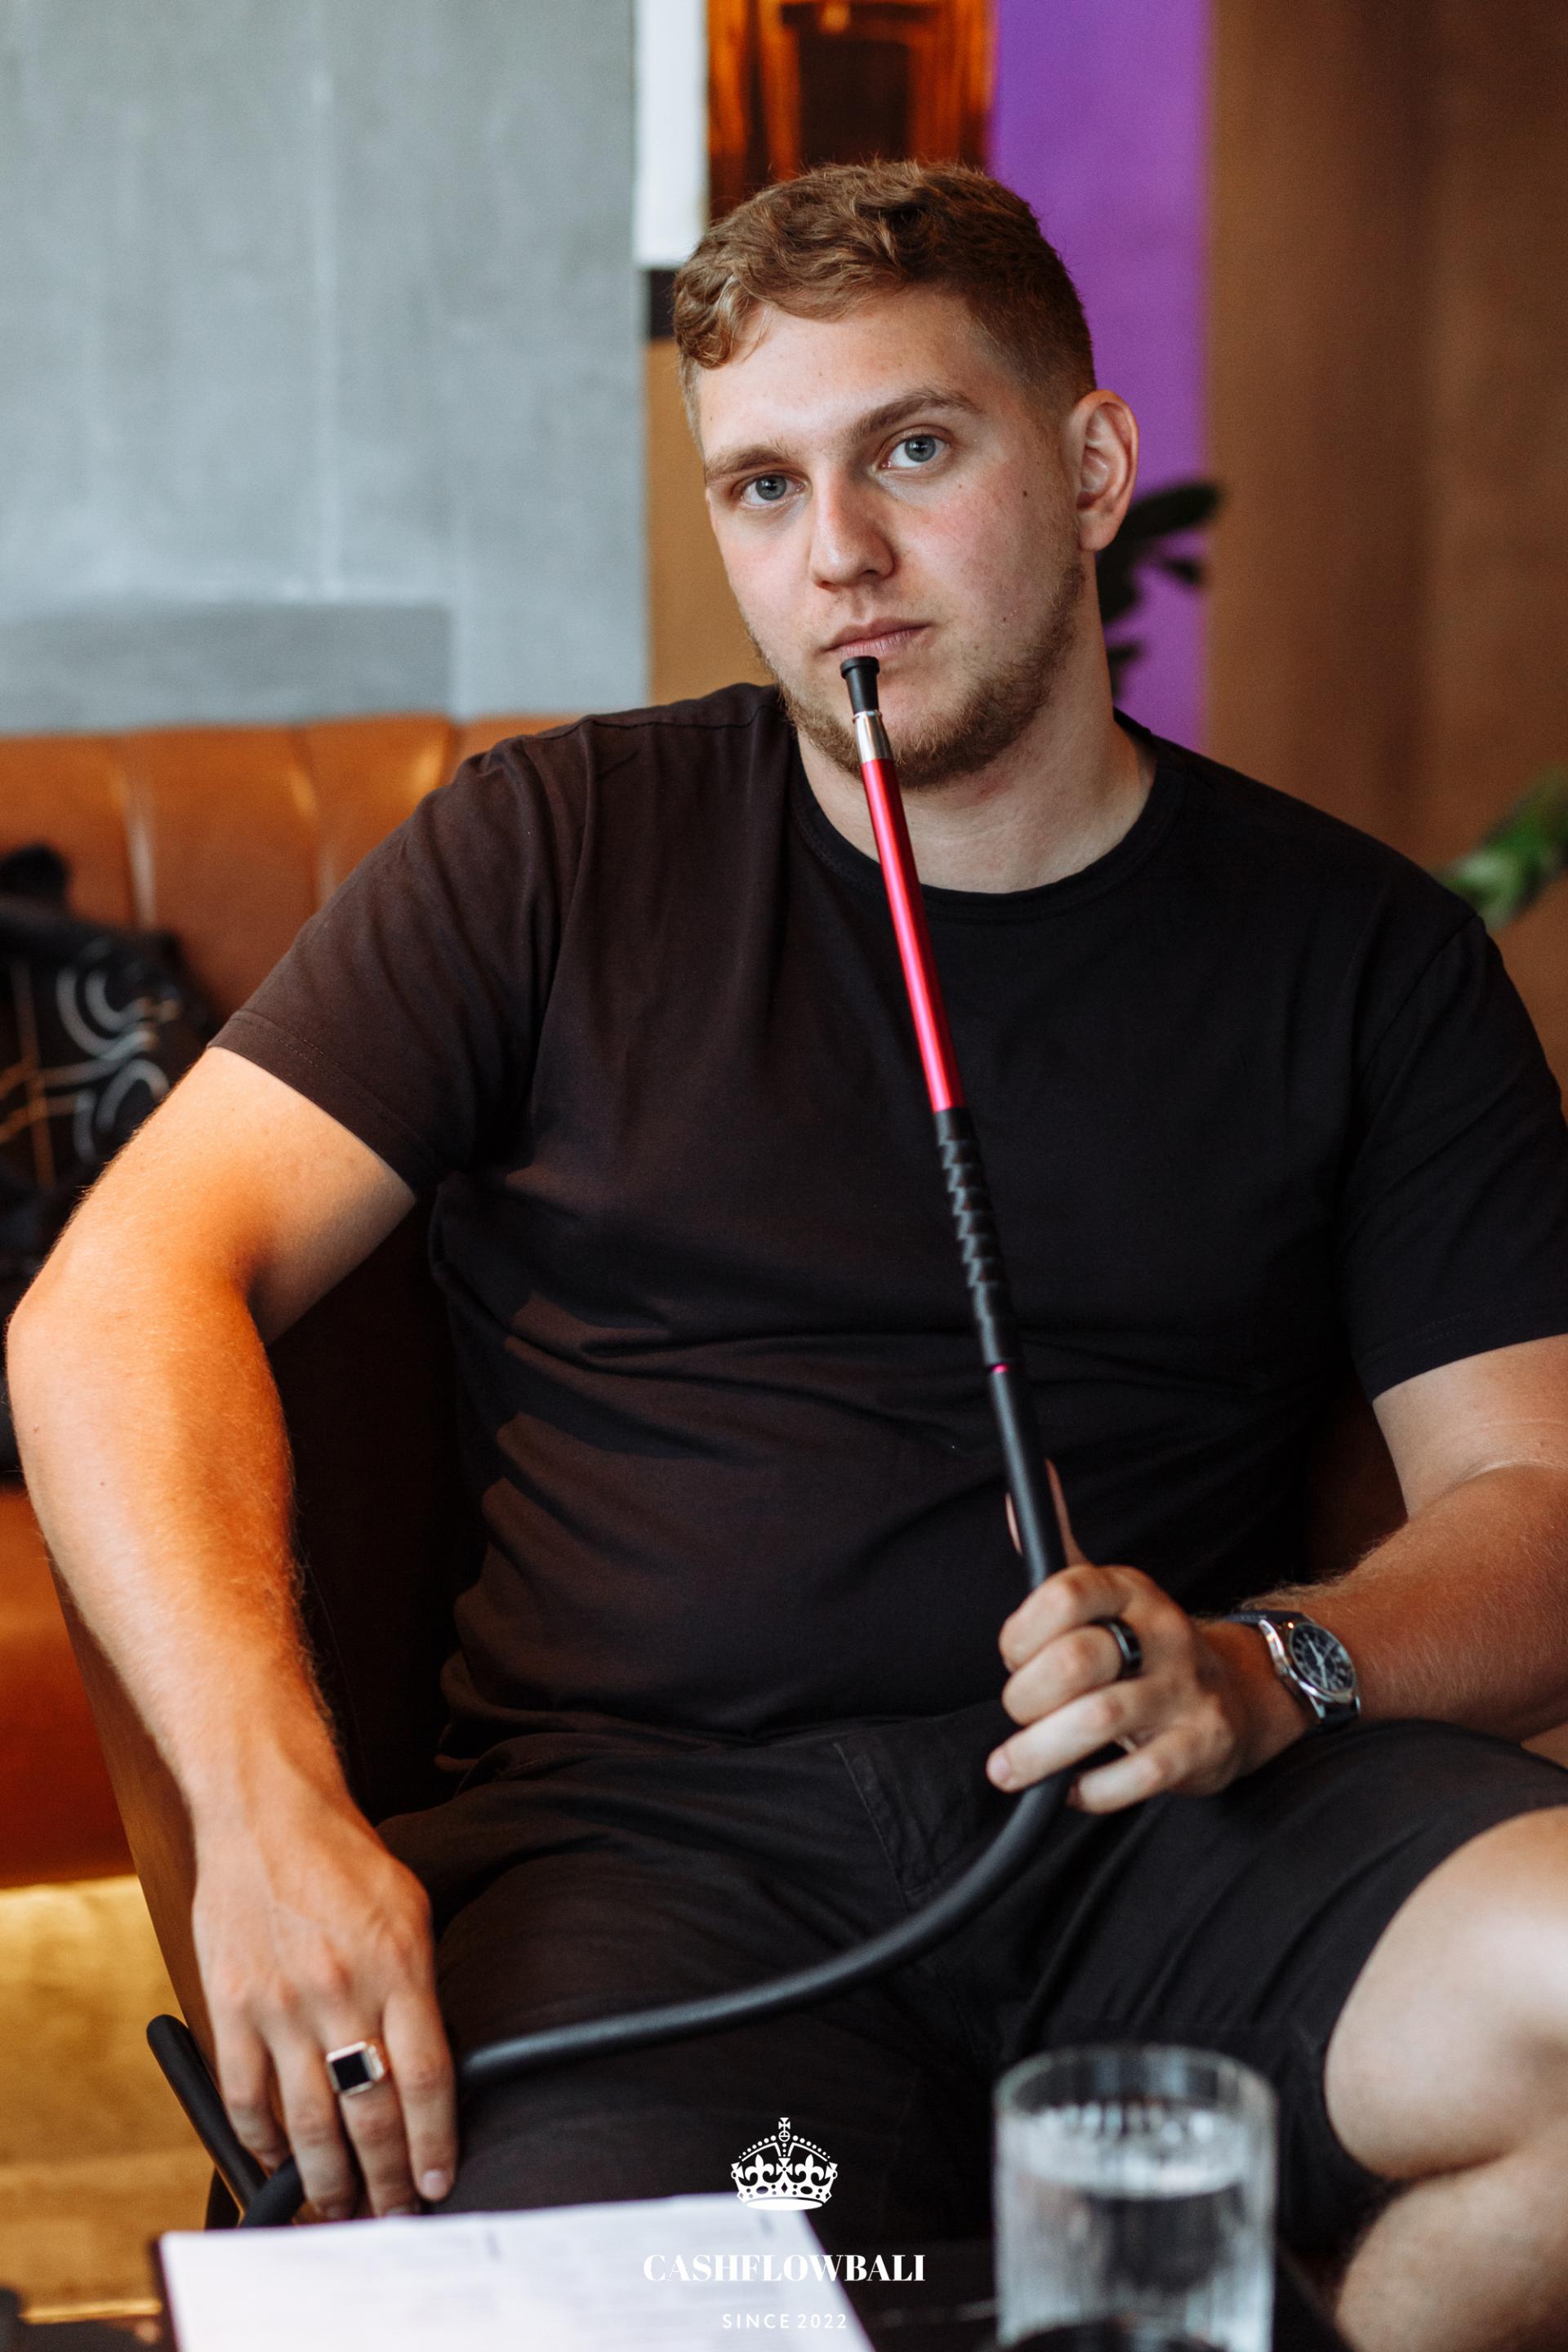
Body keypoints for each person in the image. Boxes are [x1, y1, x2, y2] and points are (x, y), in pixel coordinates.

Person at [13, 160, 1568, 2350]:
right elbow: (114, 1299)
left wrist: (1271, 1664)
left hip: (1177, 1827)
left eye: (913, 450)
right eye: (763, 486)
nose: (835, 550)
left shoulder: (1367, 957)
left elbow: (1536, 1495)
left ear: (1091, 467)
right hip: (647, 1872)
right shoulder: (552, 851)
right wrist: (265, 1810)